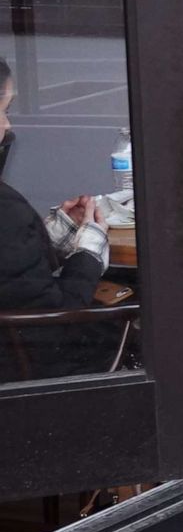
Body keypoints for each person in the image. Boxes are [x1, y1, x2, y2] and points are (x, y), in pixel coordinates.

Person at [0, 56, 122, 381]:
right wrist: (89, 250)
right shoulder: (6, 210)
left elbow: (13, 276)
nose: (8, 126)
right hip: (35, 374)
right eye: (4, 111)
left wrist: (54, 237)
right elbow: (57, 317)